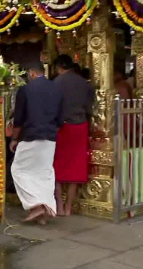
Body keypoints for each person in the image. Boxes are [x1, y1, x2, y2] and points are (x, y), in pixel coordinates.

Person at [10, 61, 63, 224]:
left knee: (18, 169)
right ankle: (41, 212)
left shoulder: (26, 90)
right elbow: (61, 117)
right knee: (44, 172)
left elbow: (18, 118)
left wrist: (14, 138)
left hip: (30, 135)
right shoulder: (57, 89)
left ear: (32, 73)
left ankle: (36, 205)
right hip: (50, 136)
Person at [53, 54, 94, 216]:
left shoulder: (56, 83)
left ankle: (60, 206)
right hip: (80, 126)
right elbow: (90, 108)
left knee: (57, 167)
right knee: (76, 168)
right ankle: (69, 207)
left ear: (60, 67)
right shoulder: (84, 83)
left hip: (62, 128)